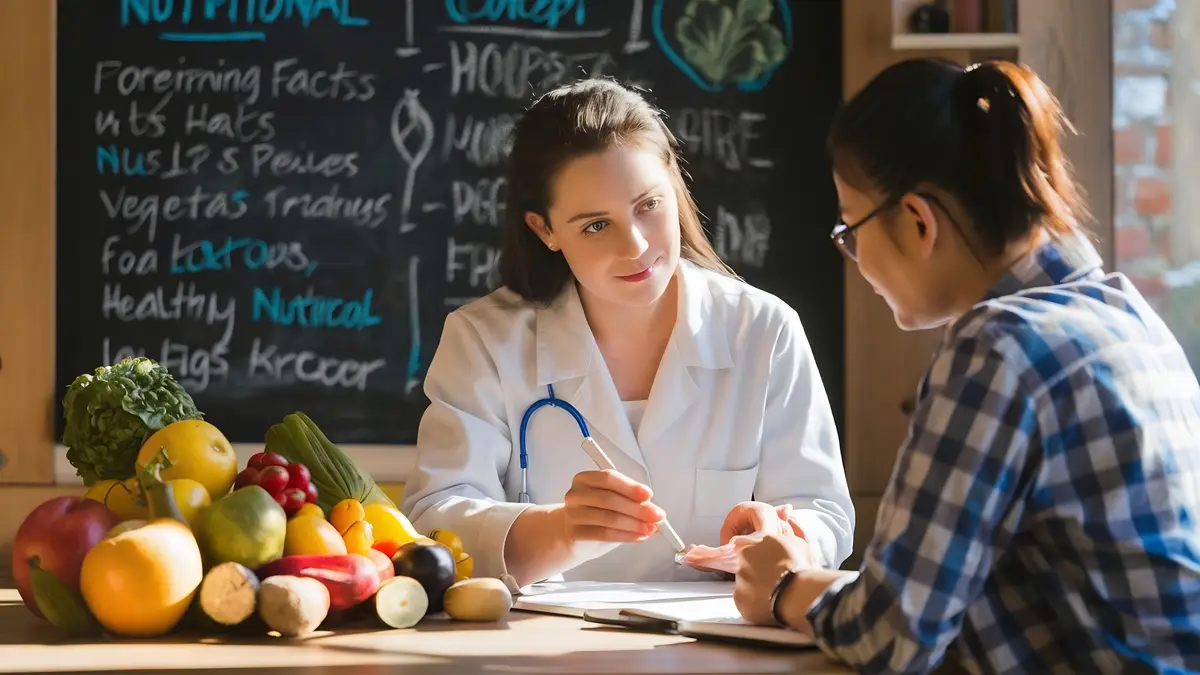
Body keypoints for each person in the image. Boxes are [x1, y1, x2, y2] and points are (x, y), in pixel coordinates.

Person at [732, 57, 1200, 674]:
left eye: (851, 228)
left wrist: (783, 584)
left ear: (918, 220)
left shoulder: (1000, 348)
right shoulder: (1125, 314)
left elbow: (891, 637)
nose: (852, 254)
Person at [399, 78, 853, 587]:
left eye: (649, 206)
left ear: (674, 188)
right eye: (596, 225)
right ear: (545, 230)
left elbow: (823, 511)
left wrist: (783, 540)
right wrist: (559, 531)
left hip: (719, 644)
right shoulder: (482, 340)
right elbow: (433, 520)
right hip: (540, 651)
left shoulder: (764, 330)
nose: (635, 245)